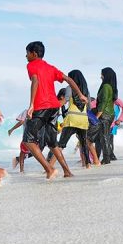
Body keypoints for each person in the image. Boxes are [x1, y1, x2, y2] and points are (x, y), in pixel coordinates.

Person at [23, 41, 87, 180]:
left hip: (41, 106)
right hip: (54, 107)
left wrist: (32, 104)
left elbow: (35, 80)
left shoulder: (31, 65)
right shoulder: (50, 67)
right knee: (52, 142)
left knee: (28, 140)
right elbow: (68, 79)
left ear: (34, 54)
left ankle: (49, 169)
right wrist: (80, 94)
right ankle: (67, 171)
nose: (26, 56)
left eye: (27, 53)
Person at [58, 70, 92, 169]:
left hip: (72, 120)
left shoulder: (69, 88)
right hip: (83, 120)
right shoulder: (86, 91)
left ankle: (50, 166)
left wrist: (54, 106)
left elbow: (65, 100)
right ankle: (88, 165)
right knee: (84, 143)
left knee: (60, 145)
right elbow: (89, 106)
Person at [94, 67, 118, 164]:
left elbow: (103, 103)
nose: (101, 76)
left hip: (105, 114)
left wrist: (97, 116)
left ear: (106, 75)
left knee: (104, 136)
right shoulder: (111, 87)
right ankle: (104, 156)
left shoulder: (106, 87)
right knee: (104, 136)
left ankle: (107, 158)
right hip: (110, 114)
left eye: (102, 74)